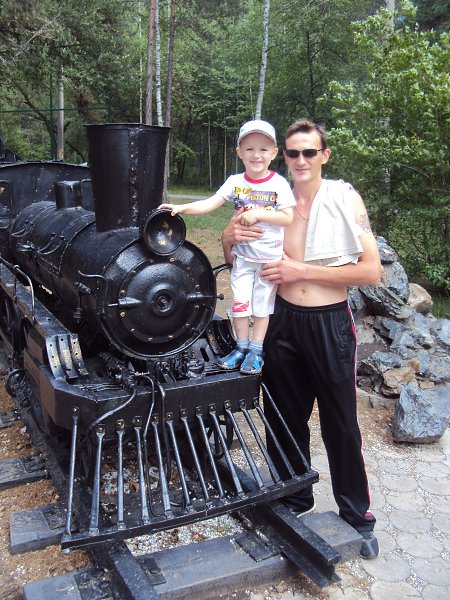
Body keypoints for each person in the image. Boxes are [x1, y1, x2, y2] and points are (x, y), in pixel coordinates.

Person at [221, 118, 381, 559]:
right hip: (281, 320)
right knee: (283, 418)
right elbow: (237, 260)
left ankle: (356, 515)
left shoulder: (344, 198)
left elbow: (371, 271)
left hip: (329, 322)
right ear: (283, 157)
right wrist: (228, 236)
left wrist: (301, 270)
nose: (301, 159)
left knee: (340, 423)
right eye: (293, 152)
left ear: (324, 155)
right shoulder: (269, 199)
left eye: (309, 151)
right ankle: (294, 498)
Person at [159, 119, 295, 375]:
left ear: (274, 153)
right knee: (240, 304)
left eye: (264, 149)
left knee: (262, 307)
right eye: (250, 149)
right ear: (239, 152)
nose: (256, 155)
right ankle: (241, 347)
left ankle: (256, 351)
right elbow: (210, 203)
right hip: (242, 257)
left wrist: (258, 214)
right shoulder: (235, 182)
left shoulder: (278, 184)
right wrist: (181, 208)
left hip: (269, 261)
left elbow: (288, 218)